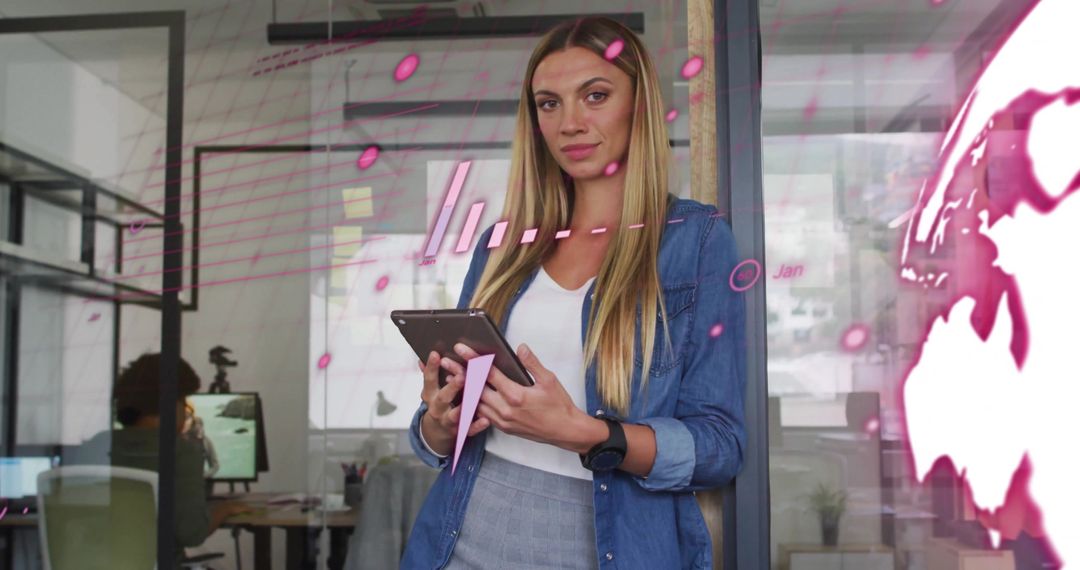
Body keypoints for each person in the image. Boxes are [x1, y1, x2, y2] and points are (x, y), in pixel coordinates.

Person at [402, 16, 746, 569]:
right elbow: (436, 442)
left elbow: (719, 447)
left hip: (608, 548)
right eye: (549, 103)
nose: (570, 123)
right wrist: (439, 424)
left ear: (638, 105)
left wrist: (585, 434)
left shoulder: (697, 241)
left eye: (596, 95)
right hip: (459, 541)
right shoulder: (502, 245)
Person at [70, 354, 249, 559]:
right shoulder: (181, 451)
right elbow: (191, 534)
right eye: (184, 403)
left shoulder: (96, 445)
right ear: (171, 404)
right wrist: (224, 509)